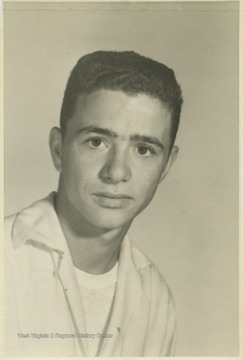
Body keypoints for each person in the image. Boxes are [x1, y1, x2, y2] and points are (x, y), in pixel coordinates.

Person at [4, 50, 183, 356]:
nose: (116, 172)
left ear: (166, 166)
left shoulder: (156, 298)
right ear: (59, 150)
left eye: (143, 149)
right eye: (97, 142)